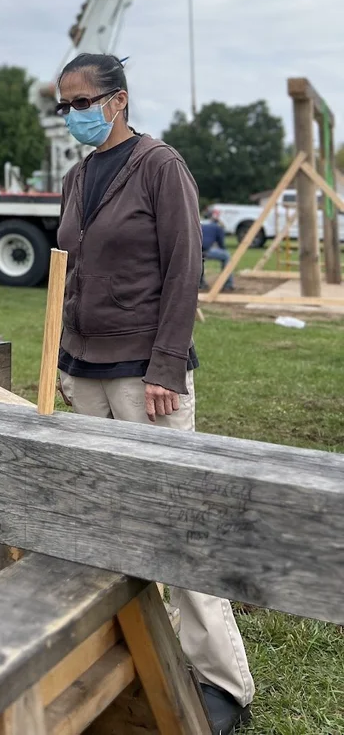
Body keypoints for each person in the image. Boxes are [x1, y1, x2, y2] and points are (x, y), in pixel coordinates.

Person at [54, 52, 254, 735]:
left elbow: (184, 268)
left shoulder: (160, 166)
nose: (73, 114)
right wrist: (62, 360)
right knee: (106, 522)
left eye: (82, 101)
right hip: (85, 372)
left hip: (146, 376)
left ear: (118, 99)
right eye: (64, 105)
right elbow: (73, 272)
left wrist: (168, 366)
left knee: (179, 524)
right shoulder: (78, 177)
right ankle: (130, 650)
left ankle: (222, 682)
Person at [201, 208, 235, 290]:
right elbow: (221, 244)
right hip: (206, 250)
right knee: (226, 255)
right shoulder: (217, 227)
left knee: (200, 261)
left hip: (195, 251)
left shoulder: (199, 223)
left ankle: (200, 283)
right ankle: (228, 284)